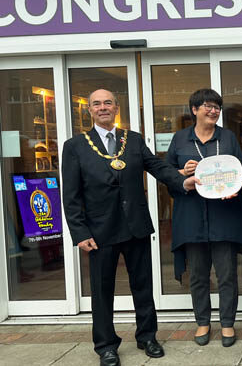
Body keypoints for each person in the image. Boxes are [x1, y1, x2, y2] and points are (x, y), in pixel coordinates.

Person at [62, 89, 187, 366]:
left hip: (136, 227)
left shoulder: (133, 140)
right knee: (102, 291)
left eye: (108, 103)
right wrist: (80, 233)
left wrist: (183, 182)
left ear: (116, 107)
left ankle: (147, 336)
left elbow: (157, 166)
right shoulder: (75, 146)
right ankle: (106, 345)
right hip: (99, 231)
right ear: (89, 110)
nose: (103, 107)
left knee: (143, 285)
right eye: (97, 104)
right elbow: (70, 195)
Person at [167, 88, 242, 348]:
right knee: (197, 274)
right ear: (194, 109)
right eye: (208, 106)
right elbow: (167, 175)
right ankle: (203, 322)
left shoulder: (227, 137)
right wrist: (180, 172)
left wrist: (238, 188)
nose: (213, 110)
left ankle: (228, 323)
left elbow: (238, 171)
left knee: (227, 273)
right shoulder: (180, 139)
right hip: (192, 217)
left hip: (225, 216)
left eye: (217, 106)